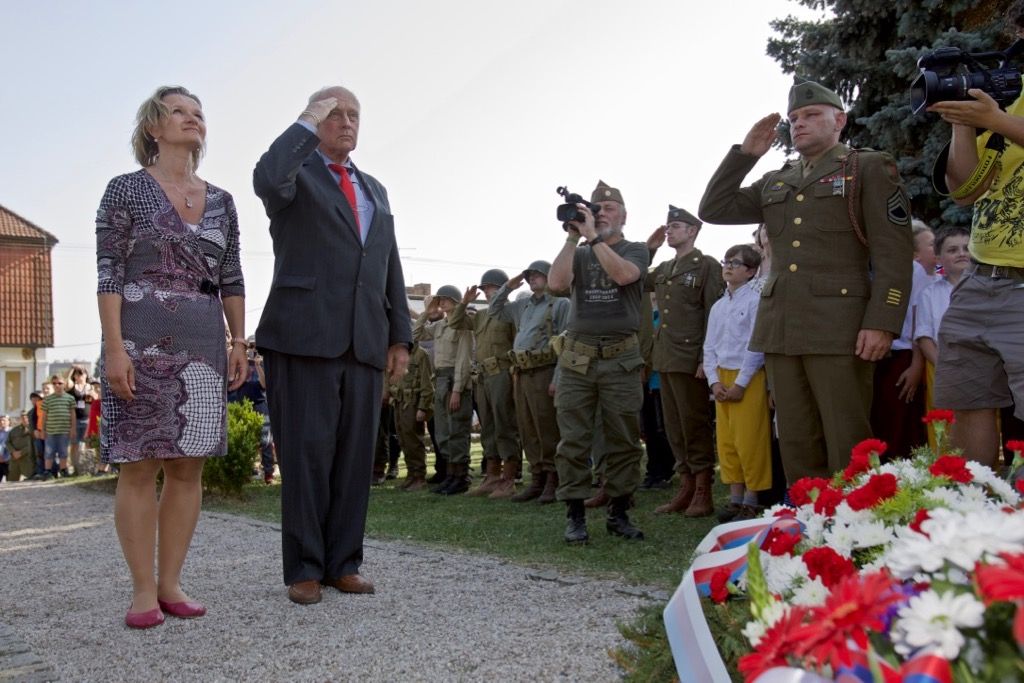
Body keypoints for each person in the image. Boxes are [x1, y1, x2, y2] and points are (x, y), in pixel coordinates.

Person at [699, 80, 913, 482]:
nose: (799, 124)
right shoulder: (777, 181)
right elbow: (714, 208)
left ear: (839, 121)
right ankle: (809, 529)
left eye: (812, 115)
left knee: (847, 437)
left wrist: (882, 321)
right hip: (781, 327)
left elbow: (893, 253)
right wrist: (745, 156)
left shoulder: (866, 167)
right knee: (796, 440)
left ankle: (861, 530)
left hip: (841, 327)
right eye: (794, 118)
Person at [96, 85, 247, 628]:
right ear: (153, 128)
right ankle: (141, 591)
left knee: (188, 468)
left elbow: (231, 276)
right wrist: (114, 349)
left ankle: (171, 583)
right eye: (179, 111)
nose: (193, 119)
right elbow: (109, 272)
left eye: (199, 112)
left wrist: (238, 341)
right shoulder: (125, 190)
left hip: (204, 346)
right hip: (137, 340)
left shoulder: (224, 201)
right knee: (139, 465)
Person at [253, 86, 411, 606]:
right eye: (334, 113)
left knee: (353, 457)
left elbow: (388, 263)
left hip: (363, 339)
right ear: (314, 120)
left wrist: (400, 337)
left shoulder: (375, 190)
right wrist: (303, 123)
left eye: (354, 114)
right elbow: (266, 177)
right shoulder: (295, 175)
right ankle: (304, 566)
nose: (346, 122)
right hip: (304, 335)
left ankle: (344, 562)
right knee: (306, 453)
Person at [926, 1, 1024, 466]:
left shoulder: (1001, 111)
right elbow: (963, 189)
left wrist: (997, 122)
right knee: (967, 400)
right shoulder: (1007, 94)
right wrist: (964, 123)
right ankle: (977, 519)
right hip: (981, 282)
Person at [548, 180, 650, 543]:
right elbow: (557, 284)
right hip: (577, 359)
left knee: (623, 439)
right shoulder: (578, 250)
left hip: (621, 359)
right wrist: (572, 237)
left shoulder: (635, 249)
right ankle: (575, 515)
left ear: (624, 214)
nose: (602, 214)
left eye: (609, 209)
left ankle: (619, 512)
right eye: (597, 208)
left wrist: (593, 238)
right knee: (573, 440)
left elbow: (624, 275)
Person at [645, 205, 724, 517]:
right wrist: (648, 251)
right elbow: (637, 279)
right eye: (669, 226)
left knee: (694, 424)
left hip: (691, 357)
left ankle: (703, 488)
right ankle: (686, 485)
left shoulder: (706, 265)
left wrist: (707, 357)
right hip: (665, 356)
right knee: (673, 426)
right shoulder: (664, 269)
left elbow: (713, 314)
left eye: (676, 226)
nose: (670, 231)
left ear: (692, 231)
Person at [490, 260, 571, 502]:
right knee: (526, 428)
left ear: (549, 277)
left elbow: (566, 343)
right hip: (522, 372)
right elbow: (495, 311)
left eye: (537, 275)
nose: (532, 278)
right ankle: (537, 477)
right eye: (530, 275)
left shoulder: (560, 304)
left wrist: (558, 378)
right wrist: (507, 287)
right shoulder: (522, 305)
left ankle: (553, 478)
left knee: (546, 427)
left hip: (544, 370)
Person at [704, 245, 771, 521]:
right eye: (726, 261)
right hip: (723, 375)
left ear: (752, 271)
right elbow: (710, 346)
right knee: (728, 440)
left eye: (736, 263)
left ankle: (751, 499)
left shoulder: (755, 302)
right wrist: (713, 382)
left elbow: (757, 345)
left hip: (748, 376)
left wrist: (741, 383)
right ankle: (734, 497)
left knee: (750, 439)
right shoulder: (719, 306)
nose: (728, 266)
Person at [448, 270, 520, 498]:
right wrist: (464, 302)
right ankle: (492, 476)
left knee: (505, 424)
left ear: (501, 288)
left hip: (502, 373)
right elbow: (456, 322)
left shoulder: (511, 312)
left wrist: (515, 373)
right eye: (485, 288)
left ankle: (509, 478)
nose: (487, 291)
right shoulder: (479, 315)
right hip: (483, 376)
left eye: (490, 287)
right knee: (488, 426)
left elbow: (518, 342)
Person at [914, 226, 972, 450]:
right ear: (938, 258)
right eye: (952, 249)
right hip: (941, 367)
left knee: (979, 421)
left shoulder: (985, 289)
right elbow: (924, 336)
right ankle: (944, 472)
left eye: (966, 248)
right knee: (944, 424)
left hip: (980, 368)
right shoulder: (930, 293)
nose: (961, 253)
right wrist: (944, 366)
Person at [413, 287, 474, 495]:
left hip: (453, 380)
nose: (443, 302)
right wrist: (426, 313)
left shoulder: (463, 325)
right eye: (441, 299)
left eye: (448, 299)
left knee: (457, 428)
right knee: (442, 432)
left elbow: (464, 359)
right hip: (439, 379)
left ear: (457, 302)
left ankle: (461, 477)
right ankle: (450, 475)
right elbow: (417, 334)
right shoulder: (439, 325)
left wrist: (458, 389)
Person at [227, 337, 275, 484]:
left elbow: (265, 384)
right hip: (238, 403)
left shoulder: (263, 362)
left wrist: (259, 365)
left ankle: (268, 473)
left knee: (265, 440)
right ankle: (246, 471)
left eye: (254, 347)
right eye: (249, 346)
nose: (251, 350)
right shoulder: (236, 358)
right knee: (241, 440)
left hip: (259, 403)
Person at [388, 341, 434, 491]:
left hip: (413, 403)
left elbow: (427, 383)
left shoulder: (421, 354)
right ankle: (411, 475)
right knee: (403, 439)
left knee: (414, 440)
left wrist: (423, 407)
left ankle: (419, 476)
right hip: (399, 402)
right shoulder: (400, 353)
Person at [40, 374, 76, 479]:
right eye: (54, 383)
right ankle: (47, 471)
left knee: (63, 451)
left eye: (59, 383)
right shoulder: (47, 399)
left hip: (64, 430)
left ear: (64, 384)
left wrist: (73, 428)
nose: (57, 385)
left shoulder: (70, 398)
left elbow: (73, 414)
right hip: (50, 430)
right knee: (49, 451)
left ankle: (63, 470)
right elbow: (44, 416)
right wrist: (43, 430)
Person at [66, 365, 91, 475]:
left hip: (87, 419)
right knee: (74, 444)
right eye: (77, 374)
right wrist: (72, 369)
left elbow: (95, 397)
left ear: (86, 375)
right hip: (74, 419)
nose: (79, 376)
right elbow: (66, 382)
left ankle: (86, 467)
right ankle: (75, 467)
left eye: (81, 373)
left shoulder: (90, 386)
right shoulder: (72, 386)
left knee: (88, 444)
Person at [6, 412, 35, 482]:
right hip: (15, 460)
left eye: (26, 417)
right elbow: (7, 442)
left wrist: (21, 452)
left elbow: (33, 444)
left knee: (30, 482)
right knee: (11, 481)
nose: (25, 419)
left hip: (28, 460)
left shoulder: (34, 429)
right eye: (23, 418)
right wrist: (13, 451)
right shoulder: (14, 430)